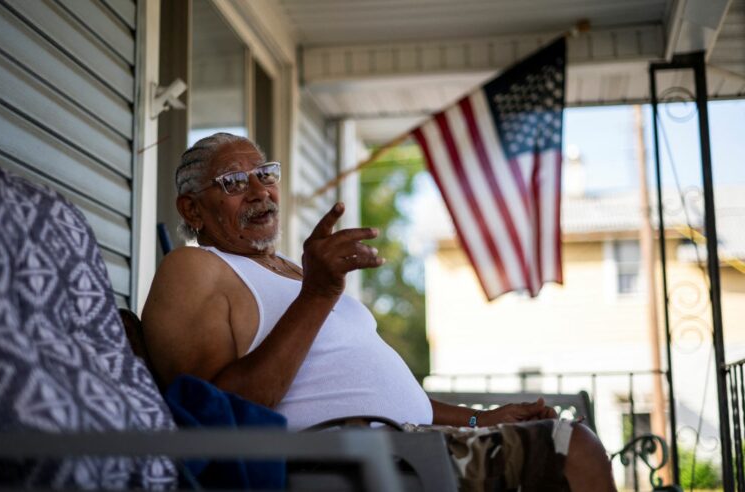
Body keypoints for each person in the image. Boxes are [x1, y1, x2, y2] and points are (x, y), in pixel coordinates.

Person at [142, 133, 616, 491]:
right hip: (347, 462)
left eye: (265, 174)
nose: (259, 191)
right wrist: (318, 294)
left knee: (565, 435)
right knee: (572, 450)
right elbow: (213, 416)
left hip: (409, 441)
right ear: (193, 208)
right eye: (233, 182)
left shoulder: (294, 271)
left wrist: (484, 420)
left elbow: (396, 396)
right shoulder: (196, 267)